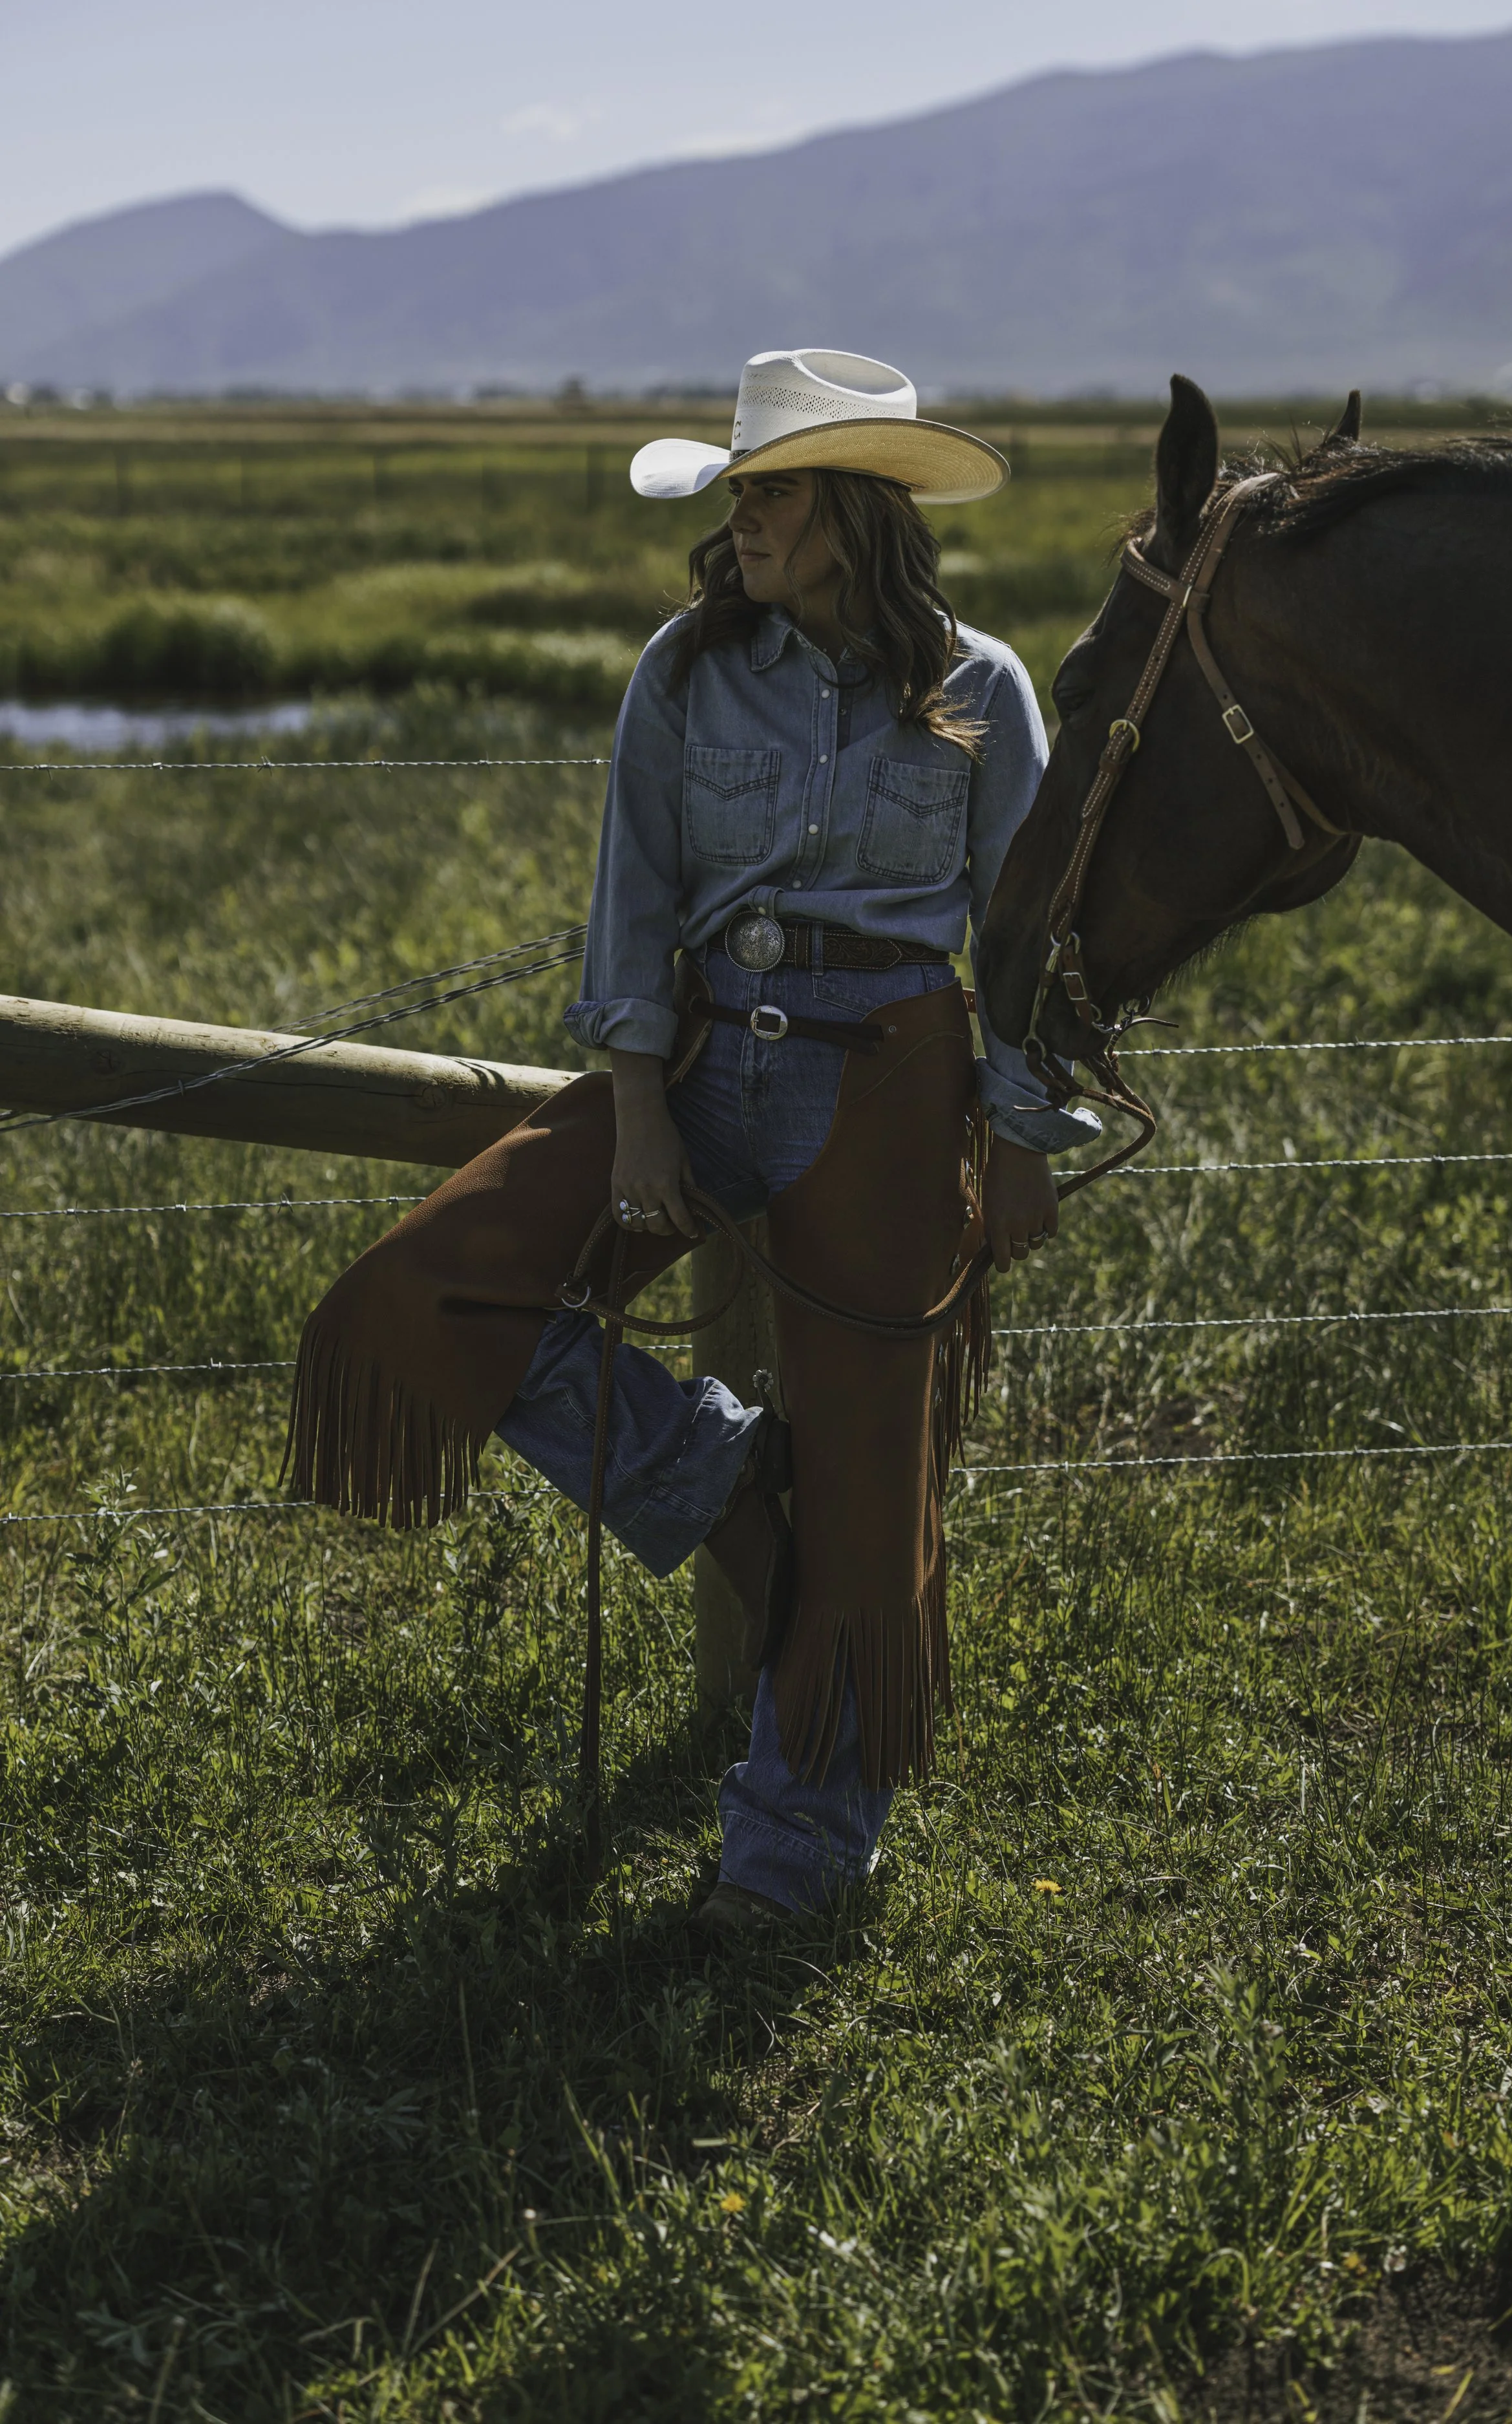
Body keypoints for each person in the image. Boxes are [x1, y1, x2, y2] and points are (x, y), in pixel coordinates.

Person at [284, 348, 1096, 1937]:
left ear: (857, 510)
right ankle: (717, 1468)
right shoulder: (683, 668)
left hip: (892, 1080)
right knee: (430, 1292)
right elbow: (630, 908)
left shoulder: (982, 689)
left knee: (873, 1495)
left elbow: (1023, 948)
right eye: (736, 491)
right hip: (708, 1057)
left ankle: (789, 1859)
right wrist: (640, 1102)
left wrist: (1020, 1141)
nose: (743, 518)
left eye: (773, 489)